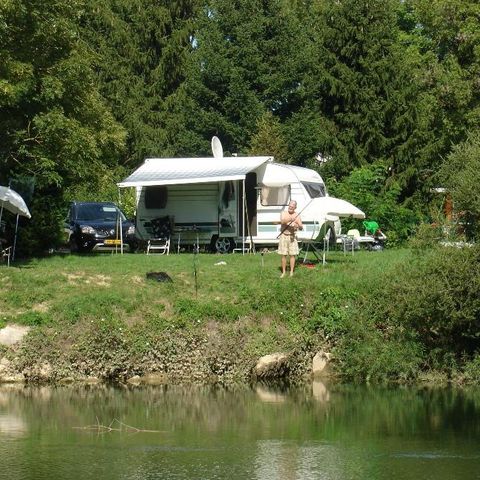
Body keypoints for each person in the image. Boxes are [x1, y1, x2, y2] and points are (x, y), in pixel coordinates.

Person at [278, 200, 303, 277]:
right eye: (290, 205)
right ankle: (284, 272)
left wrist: (297, 226)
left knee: (292, 255)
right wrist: (290, 220)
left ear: (295, 207)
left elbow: (301, 227)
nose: (291, 207)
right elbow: (282, 221)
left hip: (292, 236)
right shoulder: (283, 213)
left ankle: (291, 272)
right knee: (283, 255)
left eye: (292, 206)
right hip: (284, 236)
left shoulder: (297, 215)